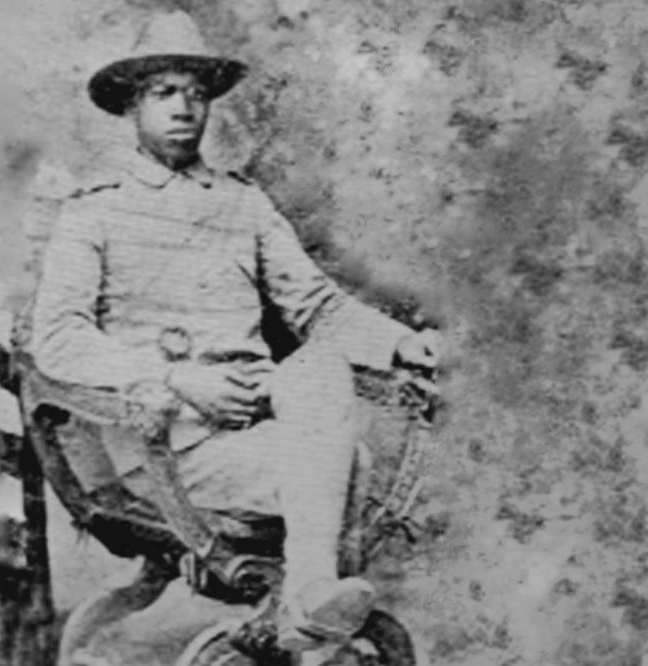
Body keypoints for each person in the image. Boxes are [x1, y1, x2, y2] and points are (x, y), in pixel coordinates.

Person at [27, 10, 441, 657]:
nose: (183, 107)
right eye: (164, 92)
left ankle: (302, 597)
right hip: (166, 440)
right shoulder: (96, 210)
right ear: (133, 106)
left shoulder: (242, 203)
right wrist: (175, 379)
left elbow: (317, 308)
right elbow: (56, 339)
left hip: (255, 425)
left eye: (195, 92)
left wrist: (398, 343)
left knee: (320, 370)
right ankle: (306, 612)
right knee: (343, 464)